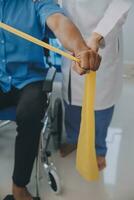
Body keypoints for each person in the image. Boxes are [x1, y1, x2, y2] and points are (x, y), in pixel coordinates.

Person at [0, 0, 101, 200]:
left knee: (30, 115)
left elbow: (58, 22)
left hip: (30, 79)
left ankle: (19, 187)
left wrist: (80, 48)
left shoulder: (36, 3)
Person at [59, 0, 132, 170]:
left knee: (101, 105)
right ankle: (72, 139)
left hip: (104, 38)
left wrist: (97, 36)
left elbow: (121, 4)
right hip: (71, 37)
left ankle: (99, 148)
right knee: (71, 102)